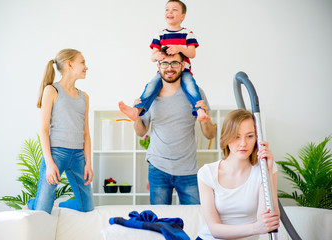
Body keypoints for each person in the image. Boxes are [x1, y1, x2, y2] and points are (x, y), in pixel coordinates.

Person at [133, 47, 216, 205]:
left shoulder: (196, 94)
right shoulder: (150, 97)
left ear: (183, 66)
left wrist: (205, 120)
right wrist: (136, 118)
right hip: (158, 168)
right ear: (158, 66)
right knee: (160, 221)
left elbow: (210, 134)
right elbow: (141, 131)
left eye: (174, 63)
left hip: (188, 169)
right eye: (164, 63)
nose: (169, 68)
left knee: (194, 217)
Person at [27, 49, 94, 214]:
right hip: (56, 154)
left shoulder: (84, 97)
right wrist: (49, 163)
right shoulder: (51, 90)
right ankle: (33, 203)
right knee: (42, 210)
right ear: (70, 64)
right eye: (83, 62)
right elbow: (43, 130)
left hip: (78, 156)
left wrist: (88, 163)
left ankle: (59, 205)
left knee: (87, 208)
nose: (86, 67)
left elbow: (86, 133)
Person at [119, 0, 209, 122]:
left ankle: (199, 110)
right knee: (151, 86)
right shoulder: (160, 35)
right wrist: (158, 55)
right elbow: (152, 57)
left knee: (191, 86)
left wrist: (180, 48)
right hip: (164, 72)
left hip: (184, 71)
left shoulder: (187, 33)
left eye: (174, 9)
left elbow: (192, 53)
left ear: (183, 16)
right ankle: (137, 110)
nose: (170, 12)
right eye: (167, 9)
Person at [196, 109, 280, 240]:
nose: (243, 143)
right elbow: (214, 229)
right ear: (226, 137)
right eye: (236, 136)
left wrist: (268, 171)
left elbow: (269, 220)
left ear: (257, 139)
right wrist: (255, 228)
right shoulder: (207, 173)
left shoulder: (266, 169)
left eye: (250, 136)